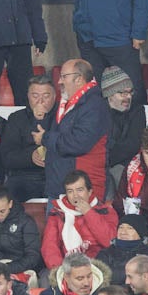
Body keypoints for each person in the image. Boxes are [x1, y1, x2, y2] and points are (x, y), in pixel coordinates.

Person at [45, 59, 109, 200]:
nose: (59, 82)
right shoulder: (69, 103)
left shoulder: (93, 106)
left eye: (64, 77)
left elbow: (78, 144)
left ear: (79, 79)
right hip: (60, 186)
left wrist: (45, 138)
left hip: (81, 190)